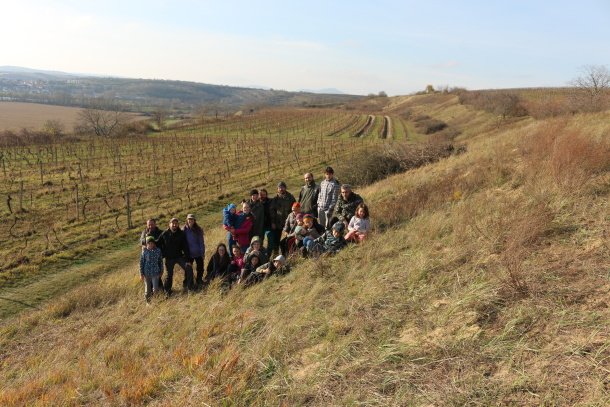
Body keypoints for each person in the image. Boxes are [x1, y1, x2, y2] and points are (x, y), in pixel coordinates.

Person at [157, 218, 194, 297]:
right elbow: (157, 243)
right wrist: (147, 241)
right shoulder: (165, 234)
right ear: (169, 224)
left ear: (178, 225)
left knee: (189, 268)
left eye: (176, 223)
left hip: (179, 257)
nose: (174, 225)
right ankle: (167, 292)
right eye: (173, 223)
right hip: (169, 258)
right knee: (169, 275)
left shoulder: (181, 234)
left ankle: (190, 288)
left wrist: (188, 260)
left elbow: (186, 247)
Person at [269, 181, 296, 255]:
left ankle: (289, 252)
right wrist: (273, 222)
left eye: (282, 187)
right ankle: (276, 253)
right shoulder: (275, 199)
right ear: (277, 189)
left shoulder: (290, 197)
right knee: (276, 239)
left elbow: (295, 209)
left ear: (285, 188)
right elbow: (272, 211)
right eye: (279, 188)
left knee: (289, 238)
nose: (281, 189)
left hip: (288, 222)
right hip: (278, 223)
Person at [139, 218, 164, 290]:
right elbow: (141, 241)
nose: (150, 226)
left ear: (155, 224)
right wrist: (147, 238)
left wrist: (152, 240)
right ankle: (151, 291)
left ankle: (160, 289)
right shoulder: (144, 232)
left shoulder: (160, 232)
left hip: (157, 255)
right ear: (147, 225)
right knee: (149, 275)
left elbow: (161, 241)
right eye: (149, 225)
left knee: (157, 273)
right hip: (148, 256)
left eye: (152, 224)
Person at [182, 214, 206, 288]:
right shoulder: (183, 230)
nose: (190, 221)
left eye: (192, 219)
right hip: (188, 253)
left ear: (194, 221)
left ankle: (199, 280)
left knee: (200, 268)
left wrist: (202, 254)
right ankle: (187, 282)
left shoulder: (198, 230)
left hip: (198, 253)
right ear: (187, 220)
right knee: (188, 269)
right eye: (189, 219)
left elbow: (201, 243)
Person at [139, 236, 164, 304]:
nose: (150, 245)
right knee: (147, 290)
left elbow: (160, 262)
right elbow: (141, 263)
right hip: (147, 273)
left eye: (152, 243)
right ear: (147, 244)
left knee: (155, 288)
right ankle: (147, 302)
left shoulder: (158, 251)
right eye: (149, 243)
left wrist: (161, 271)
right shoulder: (144, 252)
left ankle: (156, 301)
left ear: (154, 243)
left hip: (155, 273)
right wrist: (141, 273)